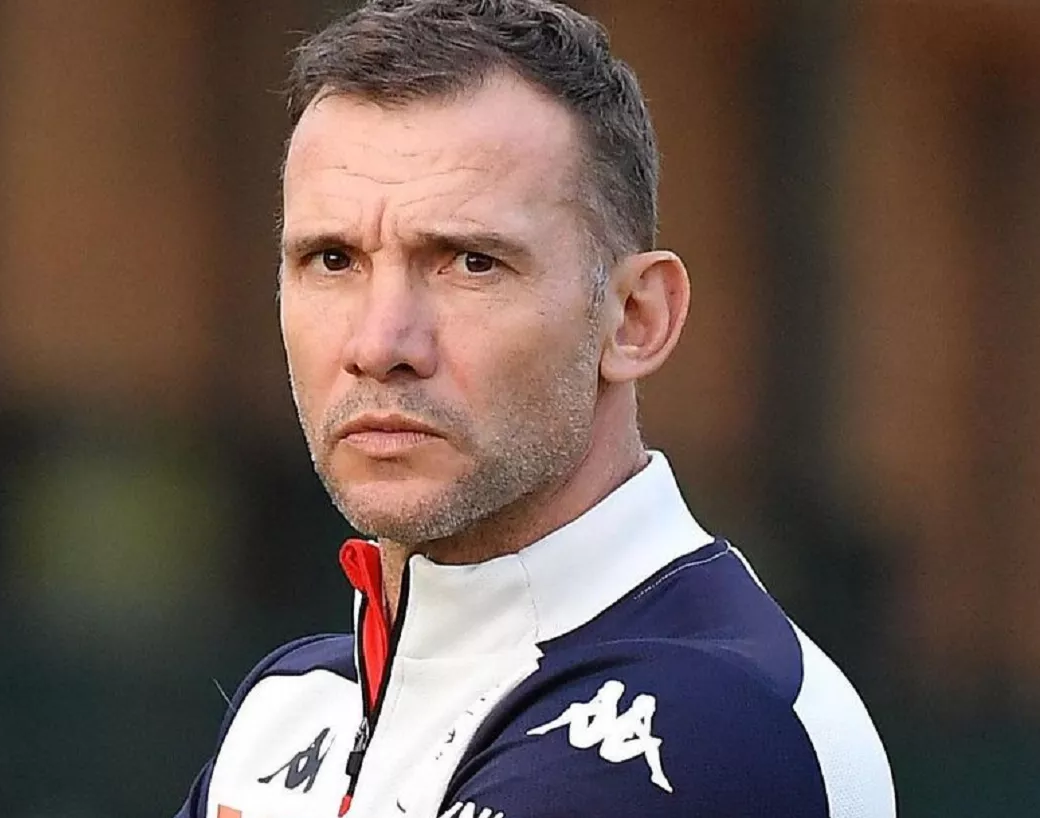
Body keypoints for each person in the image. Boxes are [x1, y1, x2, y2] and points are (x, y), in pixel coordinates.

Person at [177, 1, 895, 816]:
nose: (380, 344)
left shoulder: (702, 718)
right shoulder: (290, 710)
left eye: (470, 262)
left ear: (635, 319)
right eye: (333, 259)